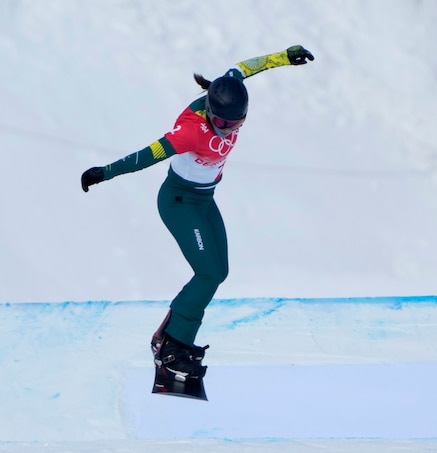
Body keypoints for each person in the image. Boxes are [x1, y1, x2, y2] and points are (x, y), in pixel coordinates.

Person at [81, 46, 314, 384]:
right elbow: (146, 155)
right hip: (179, 202)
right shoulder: (191, 130)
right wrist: (104, 172)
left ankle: (170, 335)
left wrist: (285, 56)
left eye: (234, 124)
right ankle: (173, 347)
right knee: (207, 274)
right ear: (209, 110)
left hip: (205, 199)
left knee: (219, 272)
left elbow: (246, 66)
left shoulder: (228, 92)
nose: (226, 129)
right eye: (219, 122)